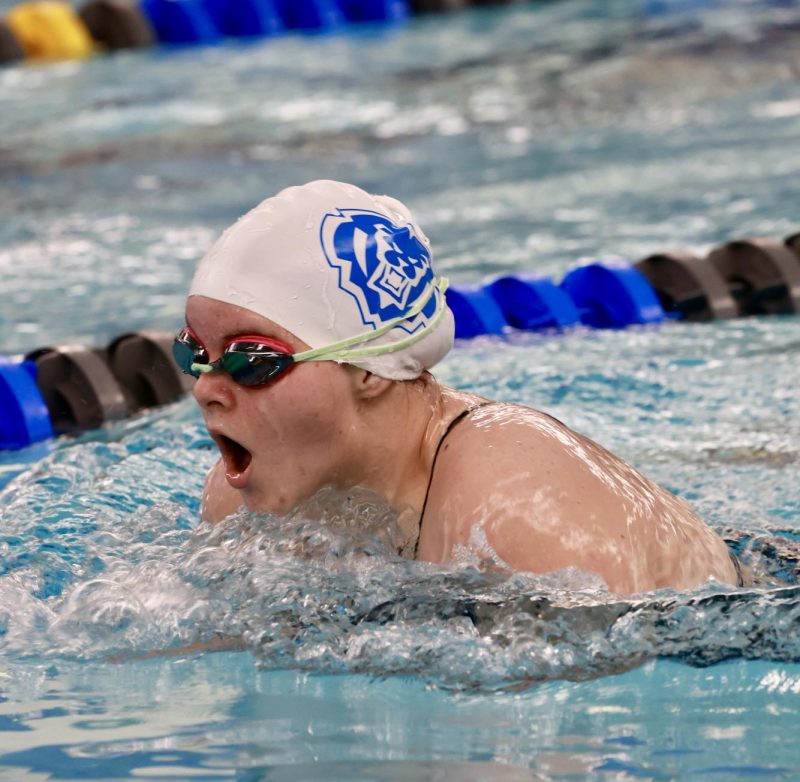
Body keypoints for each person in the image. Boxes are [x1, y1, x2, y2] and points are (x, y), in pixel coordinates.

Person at [177, 179, 741, 594]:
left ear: (369, 367)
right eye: (195, 353)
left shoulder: (516, 499)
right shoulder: (241, 496)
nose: (208, 389)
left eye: (253, 361)